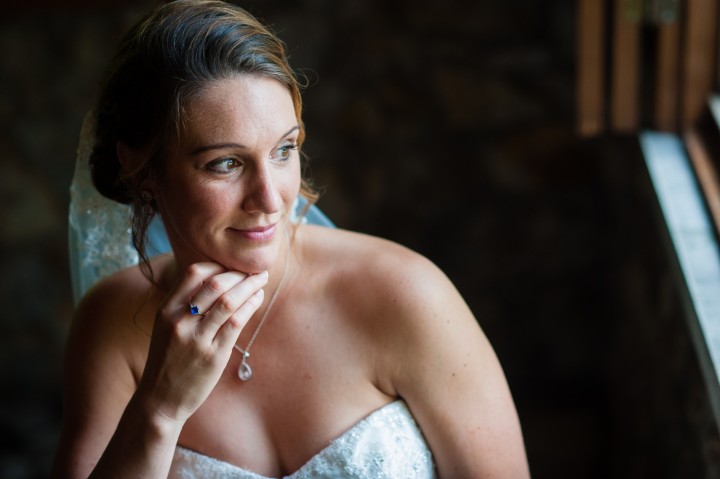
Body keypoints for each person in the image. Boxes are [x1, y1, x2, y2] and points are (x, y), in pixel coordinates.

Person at [52, 1, 530, 477]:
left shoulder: (405, 294)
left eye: (284, 150)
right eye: (226, 163)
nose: (269, 197)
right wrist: (158, 410)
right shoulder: (111, 324)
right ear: (143, 170)